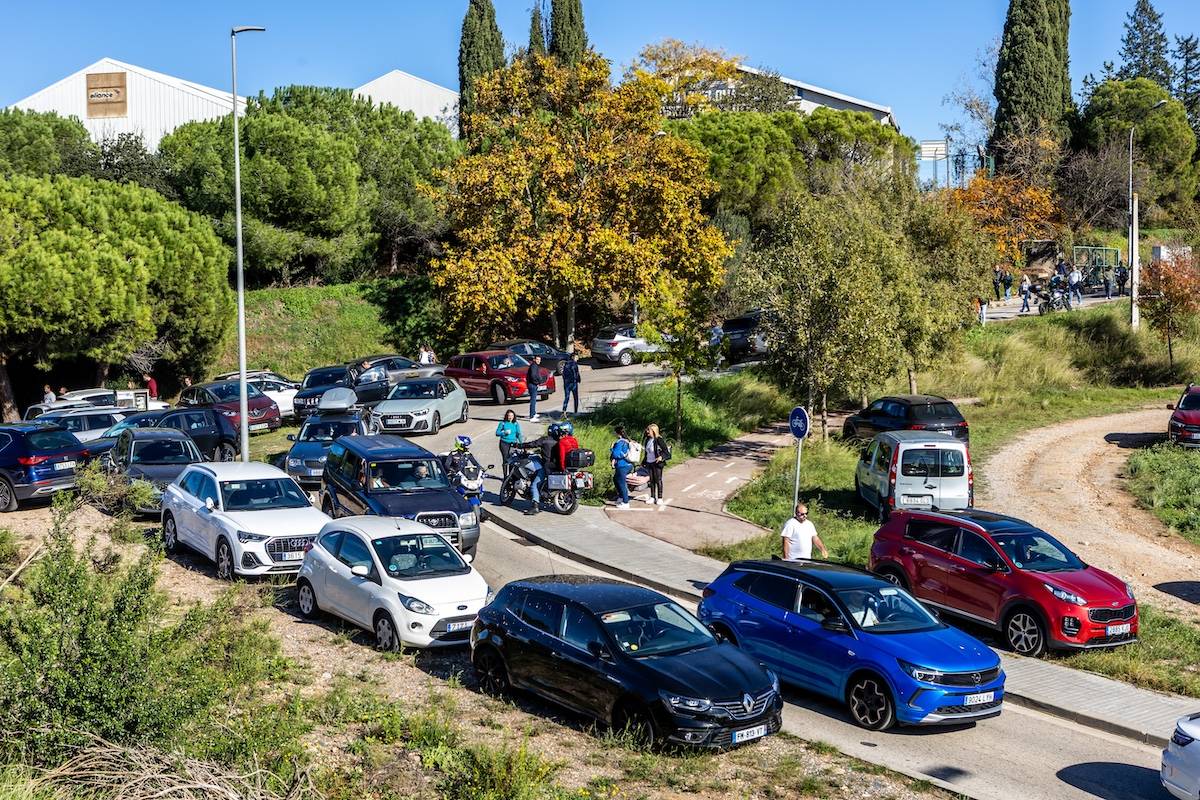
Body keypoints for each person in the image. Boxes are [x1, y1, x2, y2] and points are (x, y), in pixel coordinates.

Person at [642, 423, 671, 506]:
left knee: (658, 480)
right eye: (647, 430)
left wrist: (661, 457)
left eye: (649, 430)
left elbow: (666, 452)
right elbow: (647, 452)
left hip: (657, 463)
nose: (647, 431)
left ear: (653, 431)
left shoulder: (659, 439)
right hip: (649, 462)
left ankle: (660, 498)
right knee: (652, 480)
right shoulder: (648, 440)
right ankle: (652, 497)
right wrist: (644, 461)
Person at [610, 426, 635, 509]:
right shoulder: (627, 441)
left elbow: (616, 454)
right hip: (629, 465)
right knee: (616, 479)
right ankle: (621, 497)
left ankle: (625, 502)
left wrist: (611, 448)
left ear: (617, 433)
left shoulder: (620, 442)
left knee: (621, 482)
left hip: (622, 465)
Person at [496, 410, 523, 476]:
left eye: (512, 416)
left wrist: (521, 444)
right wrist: (504, 432)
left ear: (514, 416)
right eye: (509, 416)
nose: (510, 417)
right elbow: (497, 433)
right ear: (506, 416)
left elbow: (518, 434)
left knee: (512, 459)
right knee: (505, 459)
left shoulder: (516, 423)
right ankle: (505, 476)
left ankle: (510, 476)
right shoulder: (503, 423)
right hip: (504, 443)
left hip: (513, 444)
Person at [526, 355, 549, 422]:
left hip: (533, 384)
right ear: (534, 359)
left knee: (534, 400)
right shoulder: (533, 366)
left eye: (539, 359)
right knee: (533, 401)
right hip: (532, 385)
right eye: (537, 359)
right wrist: (537, 382)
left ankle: (533, 413)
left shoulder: (535, 366)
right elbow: (533, 376)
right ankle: (531, 416)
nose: (539, 361)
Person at [560, 352, 581, 416]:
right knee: (575, 397)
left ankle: (564, 411)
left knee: (566, 397)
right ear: (573, 357)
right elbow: (576, 374)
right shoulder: (574, 364)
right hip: (573, 383)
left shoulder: (566, 364)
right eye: (576, 357)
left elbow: (563, 374)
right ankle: (575, 411)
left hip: (566, 384)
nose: (577, 358)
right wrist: (578, 379)